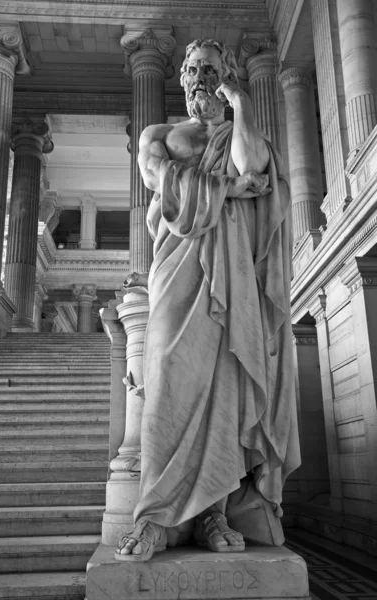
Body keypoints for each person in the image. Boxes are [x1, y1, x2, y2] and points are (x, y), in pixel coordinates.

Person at [115, 39, 300, 562]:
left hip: (232, 277)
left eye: (210, 69)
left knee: (224, 389)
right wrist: (227, 189)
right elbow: (158, 179)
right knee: (169, 379)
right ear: (180, 79)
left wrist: (240, 106)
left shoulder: (235, 130)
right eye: (192, 69)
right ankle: (154, 518)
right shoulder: (160, 135)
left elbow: (254, 165)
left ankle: (213, 515)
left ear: (224, 76)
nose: (199, 77)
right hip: (178, 271)